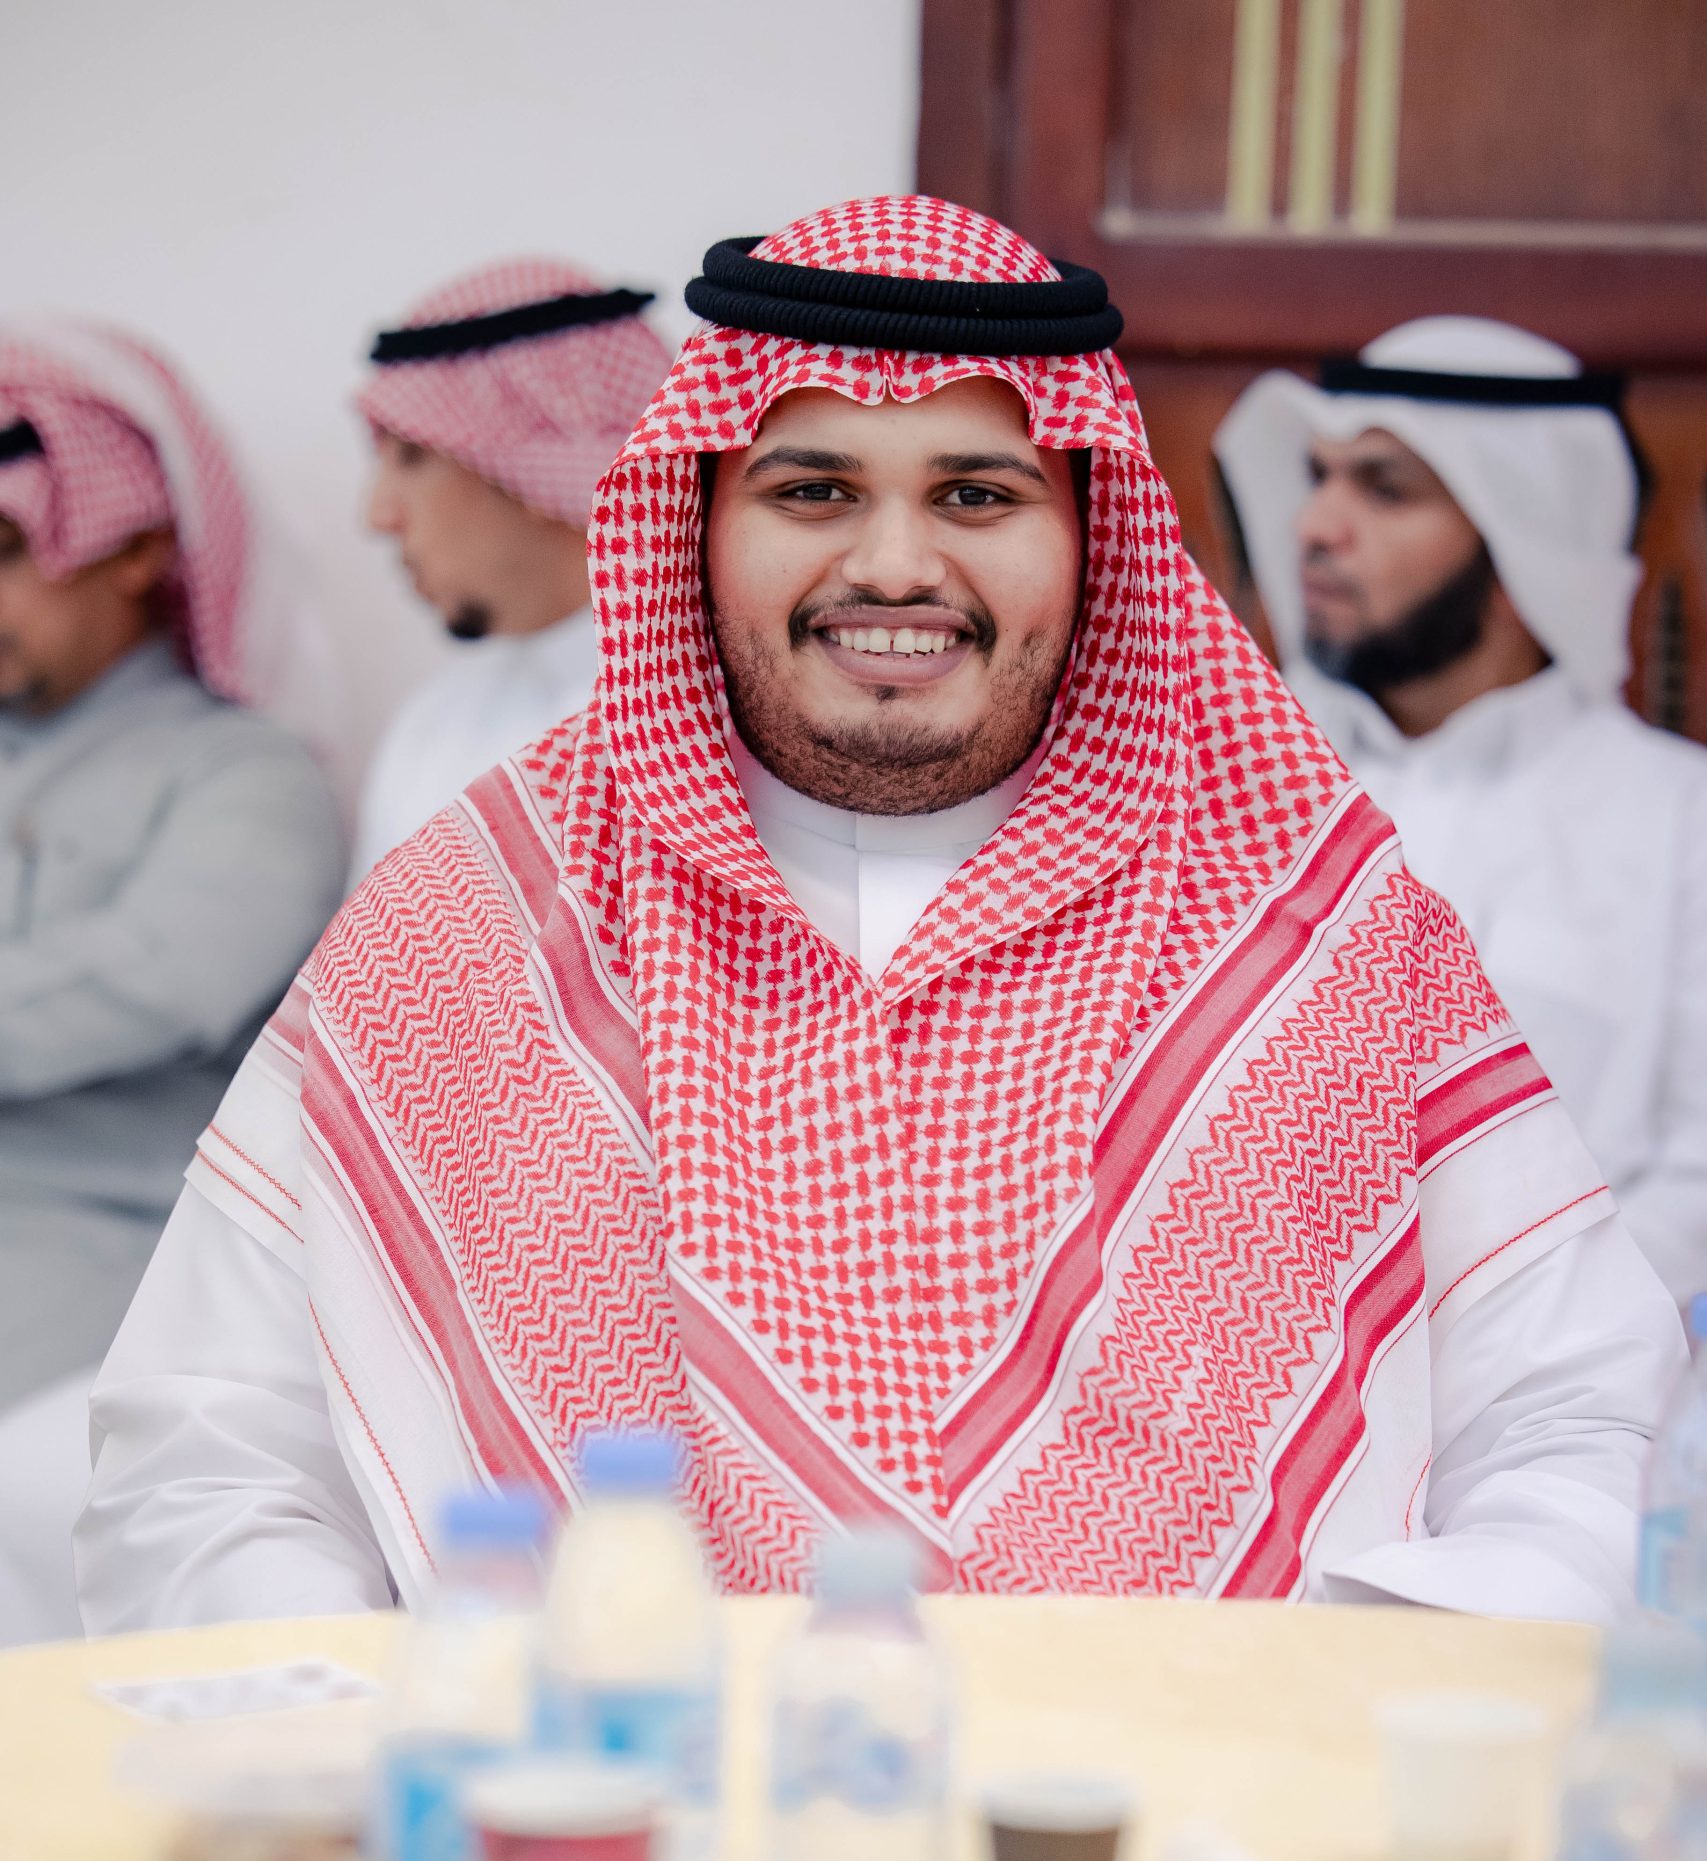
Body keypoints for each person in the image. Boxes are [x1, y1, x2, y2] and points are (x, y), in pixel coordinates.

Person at [77, 199, 1683, 1637]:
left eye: (976, 492)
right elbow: (215, 1456)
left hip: (1197, 1822)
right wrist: (377, 1731)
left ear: (1088, 537)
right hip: (600, 1813)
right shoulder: (476, 922)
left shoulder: (1312, 930)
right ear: (698, 525)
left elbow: (1564, 1410)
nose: (895, 565)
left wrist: (1369, 1707)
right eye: (813, 488)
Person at [1214, 318, 1707, 1302]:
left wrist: (1479, 1346)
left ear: (1529, 549)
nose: (1316, 526)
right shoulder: (1225, 787)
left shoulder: (1680, 823)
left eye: (1385, 488)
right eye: (1318, 477)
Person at [0, 318, 345, 1643]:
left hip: (98, 1247)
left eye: (6, 550)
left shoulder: (244, 774)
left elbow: (165, 977)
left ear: (137, 551)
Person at [349, 258, 672, 884]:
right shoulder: (433, 724)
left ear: (543, 456)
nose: (378, 516)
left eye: (412, 456)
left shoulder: (722, 727)